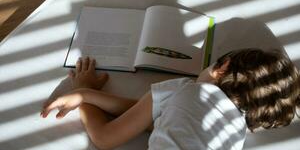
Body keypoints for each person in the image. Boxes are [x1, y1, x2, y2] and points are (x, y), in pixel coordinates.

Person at [40, 48, 300, 150]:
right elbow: (153, 117)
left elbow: (105, 137)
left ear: (222, 67)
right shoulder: (234, 133)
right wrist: (92, 95)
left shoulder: (187, 89)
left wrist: (84, 95)